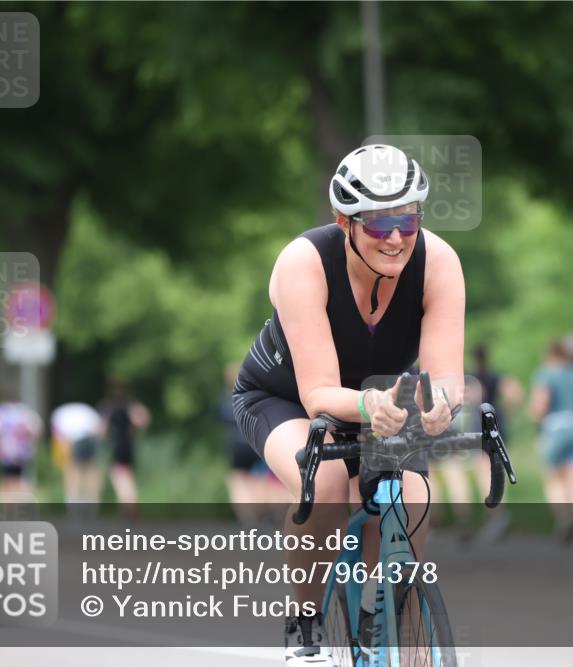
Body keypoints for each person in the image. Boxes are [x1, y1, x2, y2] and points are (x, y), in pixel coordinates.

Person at [231, 144, 463, 666]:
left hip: (384, 401)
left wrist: (440, 404)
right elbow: (318, 395)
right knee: (330, 486)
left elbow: (446, 375)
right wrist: (369, 402)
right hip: (285, 397)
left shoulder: (439, 262)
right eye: (380, 225)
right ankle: (305, 626)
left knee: (414, 493)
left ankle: (387, 617)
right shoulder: (303, 262)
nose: (398, 237)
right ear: (345, 222)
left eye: (408, 220)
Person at [432, 343, 522, 542]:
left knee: (463, 475)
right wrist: (505, 411)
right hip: (494, 431)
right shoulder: (495, 376)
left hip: (473, 433)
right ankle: (496, 517)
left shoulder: (469, 380)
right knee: (492, 476)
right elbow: (514, 393)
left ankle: (466, 520)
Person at [530, 339, 573, 544]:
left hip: (557, 429)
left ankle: (564, 519)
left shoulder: (547, 373)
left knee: (555, 479)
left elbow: (541, 405)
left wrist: (535, 416)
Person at [220, 363, 277, 525]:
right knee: (259, 480)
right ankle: (263, 516)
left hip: (238, 446)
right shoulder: (257, 398)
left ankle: (249, 520)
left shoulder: (226, 401)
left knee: (237, 481)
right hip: (256, 443)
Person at [100, 381, 150, 512]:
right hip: (130, 448)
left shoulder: (108, 408)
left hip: (117, 449)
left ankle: (129, 512)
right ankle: (130, 511)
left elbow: (102, 432)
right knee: (129, 479)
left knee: (121, 482)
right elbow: (143, 420)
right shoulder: (131, 406)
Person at [0, 395, 43, 498]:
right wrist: (32, 444)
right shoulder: (24, 411)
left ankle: (10, 504)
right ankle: (22, 501)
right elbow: (36, 430)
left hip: (5, 452)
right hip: (21, 452)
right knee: (20, 478)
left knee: (6, 479)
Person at [51, 402, 105, 504]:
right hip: (91, 437)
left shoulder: (58, 413)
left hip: (76, 439)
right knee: (91, 469)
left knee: (73, 469)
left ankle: (73, 498)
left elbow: (58, 435)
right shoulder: (87, 409)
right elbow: (100, 428)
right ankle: (93, 499)